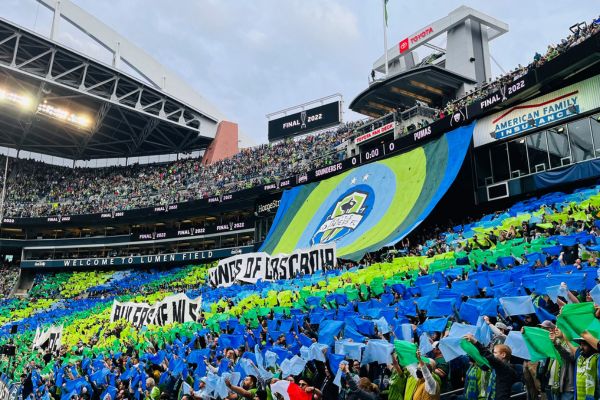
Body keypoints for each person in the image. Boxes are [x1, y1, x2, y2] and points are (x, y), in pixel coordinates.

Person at [463, 334, 519, 400]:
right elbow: (481, 360)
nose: (493, 355)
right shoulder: (494, 368)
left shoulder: (506, 369)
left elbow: (489, 356)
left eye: (495, 353)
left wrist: (475, 341)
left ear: (503, 355)